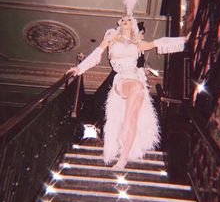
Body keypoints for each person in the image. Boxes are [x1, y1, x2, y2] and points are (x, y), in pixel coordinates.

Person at [67, 15, 188, 169]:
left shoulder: (137, 44)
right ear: (119, 24)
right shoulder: (111, 39)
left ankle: (123, 158)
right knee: (134, 98)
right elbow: (96, 54)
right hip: (121, 81)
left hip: (136, 82)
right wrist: (79, 69)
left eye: (129, 20)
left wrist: (183, 39)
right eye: (123, 19)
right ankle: (123, 126)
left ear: (133, 25)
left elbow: (160, 42)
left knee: (133, 118)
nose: (126, 20)